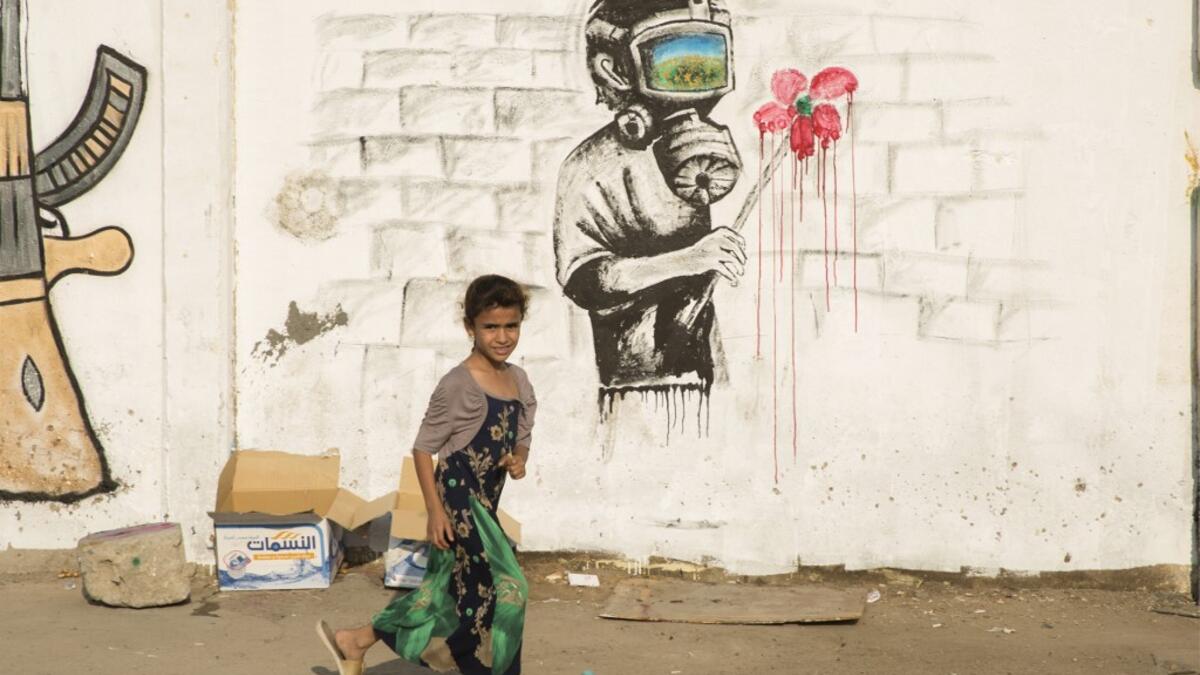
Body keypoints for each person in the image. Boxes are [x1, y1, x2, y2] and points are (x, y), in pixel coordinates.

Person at [318, 274, 536, 675]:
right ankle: (480, 664)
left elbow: (522, 434)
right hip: (457, 498)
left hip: (485, 504)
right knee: (510, 587)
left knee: (450, 590)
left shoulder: (518, 380)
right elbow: (423, 449)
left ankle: (358, 639)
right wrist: (435, 512)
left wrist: (518, 459)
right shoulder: (458, 384)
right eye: (491, 327)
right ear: (470, 327)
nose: (502, 337)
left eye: (511, 325)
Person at [554, 0, 746, 405]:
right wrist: (688, 260)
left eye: (705, 61)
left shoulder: (688, 163)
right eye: (673, 62)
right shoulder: (591, 166)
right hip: (633, 388)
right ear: (615, 69)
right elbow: (586, 281)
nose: (692, 82)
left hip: (704, 374)